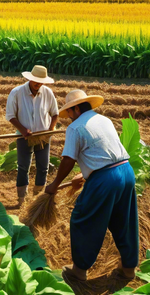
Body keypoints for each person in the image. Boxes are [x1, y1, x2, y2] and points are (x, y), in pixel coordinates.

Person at [45, 89, 139, 282]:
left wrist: (54, 184)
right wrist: (87, 173)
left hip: (105, 179)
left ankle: (79, 270)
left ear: (76, 108)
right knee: (124, 219)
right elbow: (105, 152)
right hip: (126, 171)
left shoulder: (75, 127)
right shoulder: (104, 120)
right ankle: (129, 268)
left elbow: (68, 160)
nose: (69, 117)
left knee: (83, 218)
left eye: (69, 112)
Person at [6, 65, 58, 205]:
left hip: (43, 136)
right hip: (24, 137)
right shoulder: (17, 93)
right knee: (23, 166)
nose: (38, 84)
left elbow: (55, 113)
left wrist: (50, 129)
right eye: (36, 81)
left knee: (43, 166)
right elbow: (11, 116)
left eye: (41, 82)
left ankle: (37, 197)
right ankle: (21, 199)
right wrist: (23, 130)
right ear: (30, 79)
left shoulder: (47, 93)